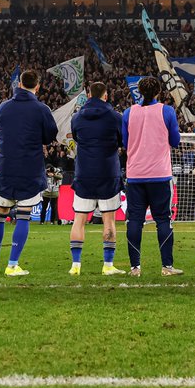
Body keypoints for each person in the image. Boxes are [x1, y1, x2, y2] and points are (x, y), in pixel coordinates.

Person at [0, 69, 58, 277]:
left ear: (19, 85)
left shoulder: (3, 107)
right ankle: (12, 264)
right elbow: (49, 136)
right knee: (24, 216)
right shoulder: (41, 109)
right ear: (37, 86)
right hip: (30, 168)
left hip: (7, 166)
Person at [122, 76, 183, 277]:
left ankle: (135, 268)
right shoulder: (167, 111)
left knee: (135, 221)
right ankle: (167, 266)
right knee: (163, 220)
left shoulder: (128, 113)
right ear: (158, 92)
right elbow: (175, 141)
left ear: (139, 91)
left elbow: (125, 141)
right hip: (160, 175)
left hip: (135, 175)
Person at [69, 81, 125, 276]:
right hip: (108, 172)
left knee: (79, 219)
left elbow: (76, 137)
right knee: (109, 220)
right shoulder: (115, 117)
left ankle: (75, 265)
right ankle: (108, 266)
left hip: (84, 172)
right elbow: (122, 141)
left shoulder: (77, 117)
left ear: (88, 94)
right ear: (106, 95)